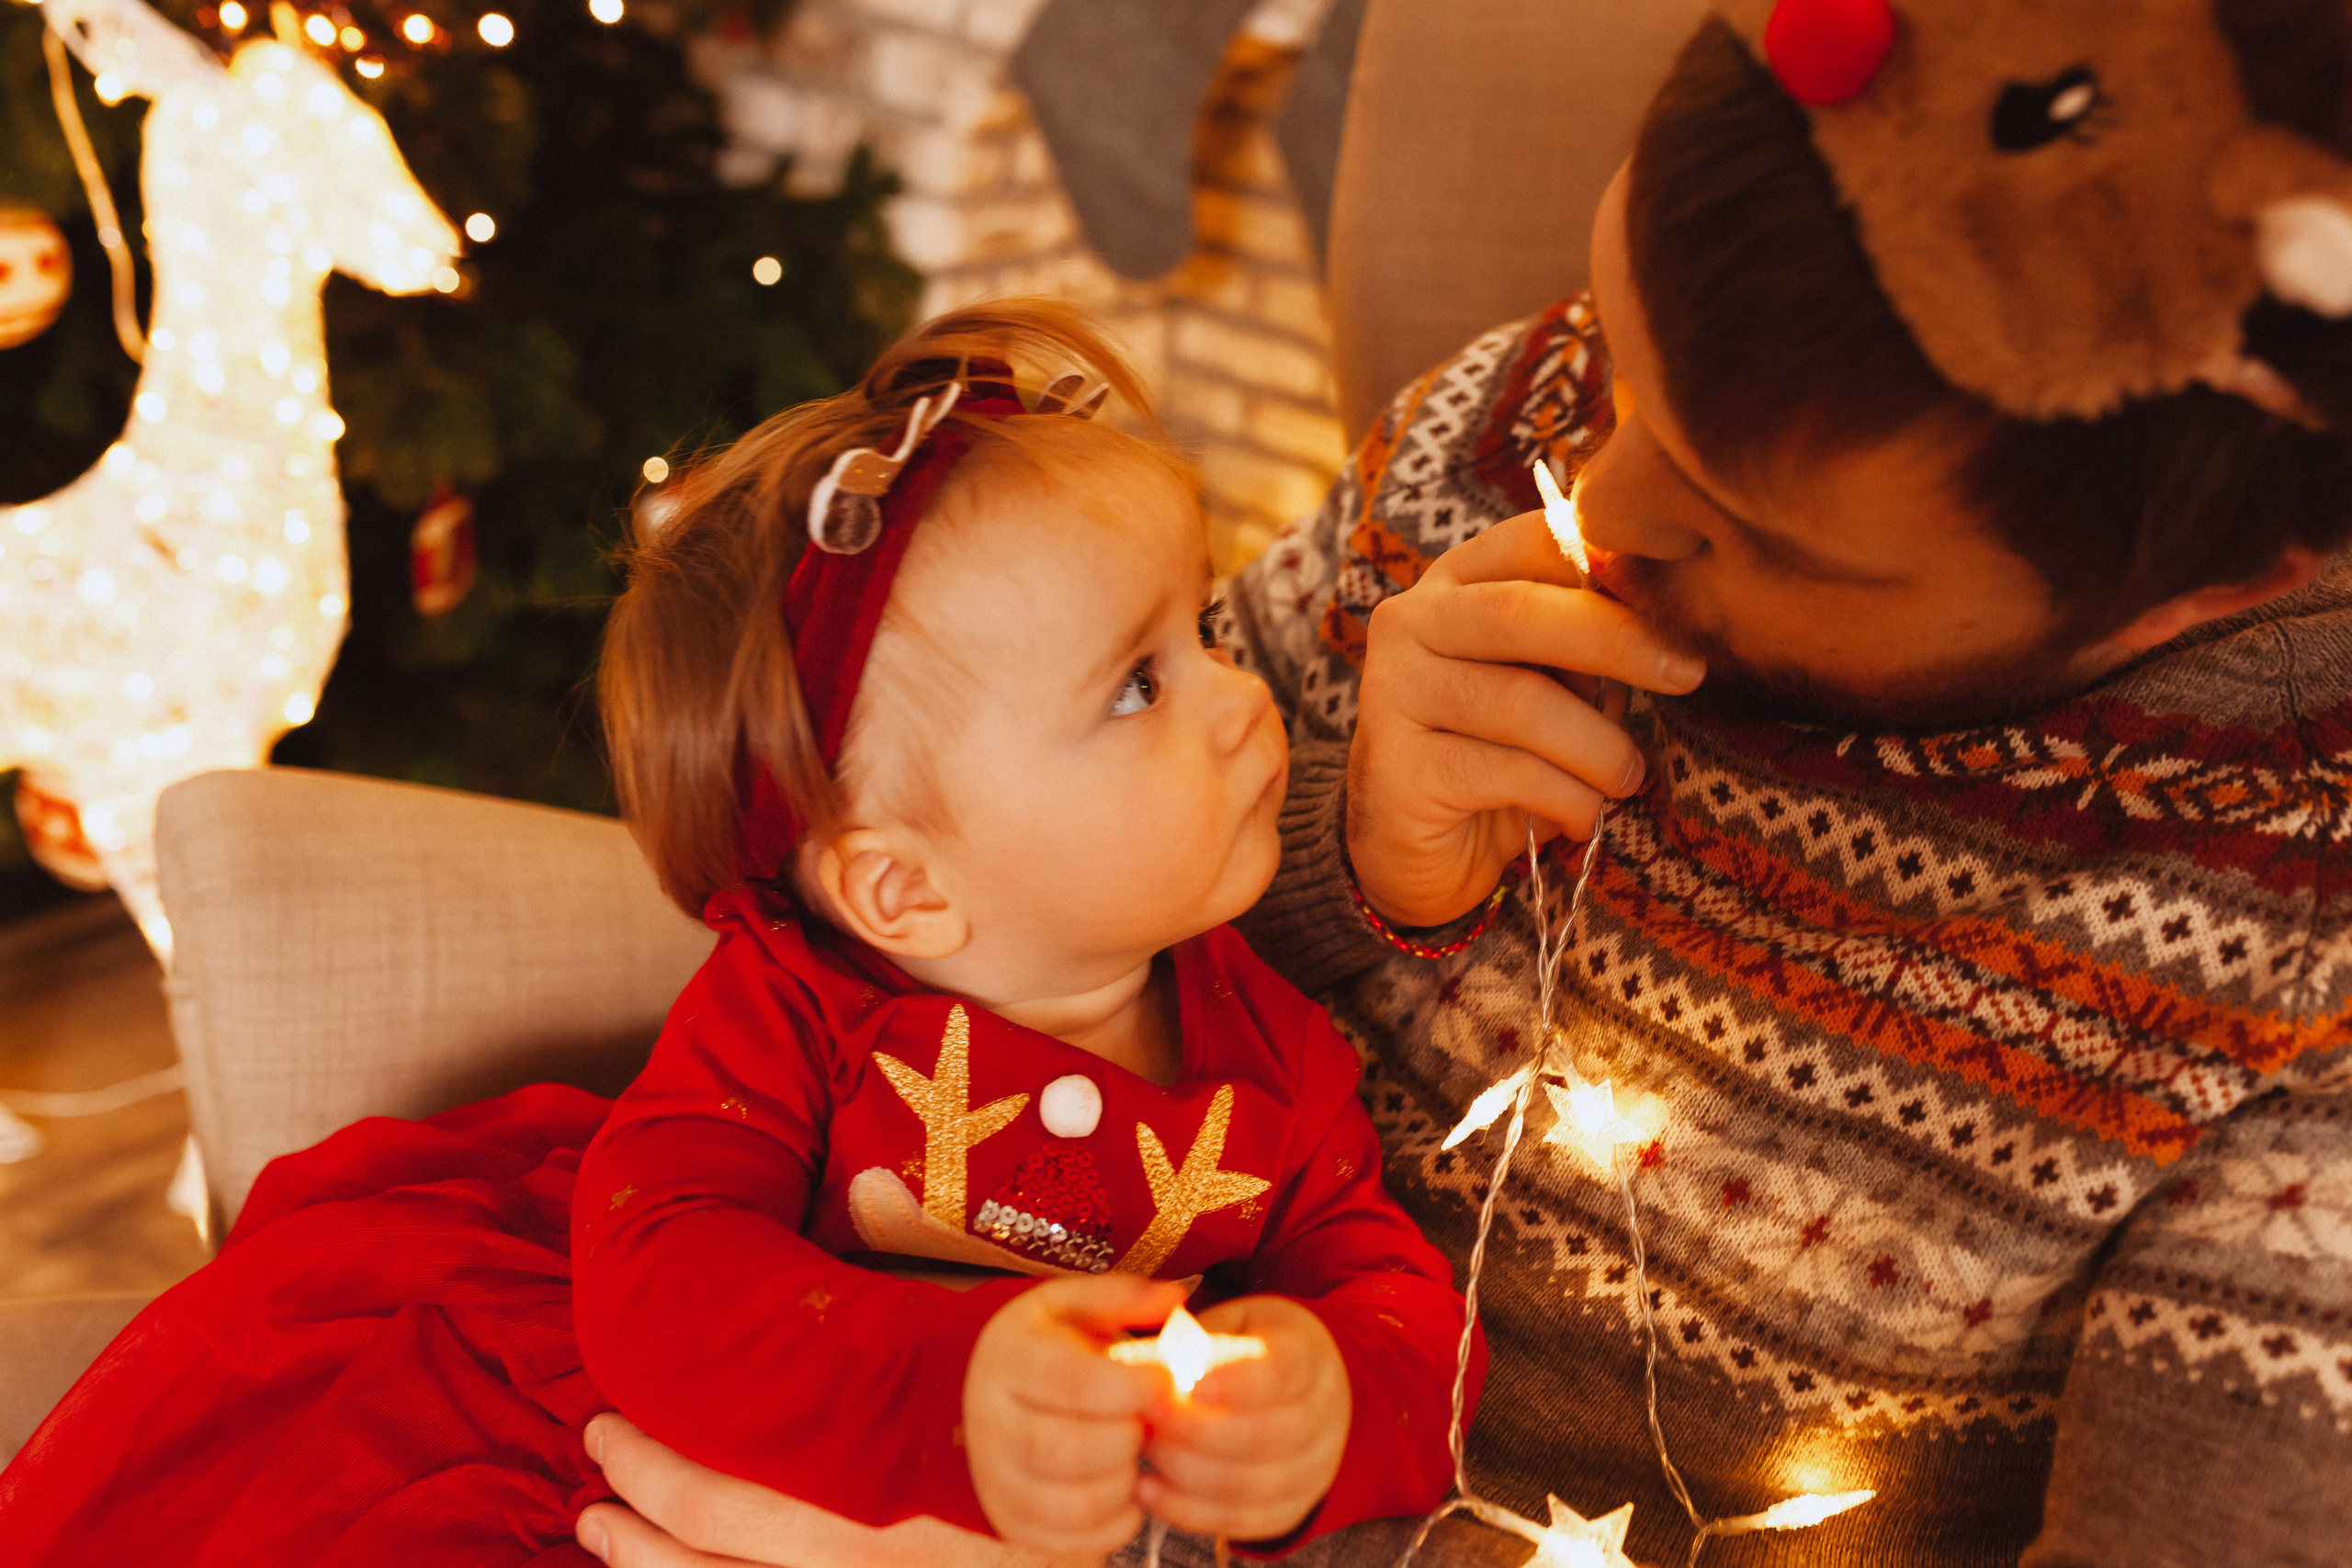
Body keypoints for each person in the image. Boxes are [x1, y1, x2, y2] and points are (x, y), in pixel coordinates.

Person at [570, 13, 2352, 1568]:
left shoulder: (2298, 964)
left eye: (1744, 524)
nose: (1596, 501)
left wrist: (1114, 1533)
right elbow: (1048, 893)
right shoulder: (1517, 419)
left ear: (2230, 574)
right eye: (1610, 342)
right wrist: (1347, 850)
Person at [0, 301, 1476, 1564]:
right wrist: (951, 1397)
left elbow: (1394, 1296)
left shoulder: (1270, 1061)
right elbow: (670, 1286)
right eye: (1139, 686)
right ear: (905, 892)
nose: (1244, 702)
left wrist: (1335, 1402)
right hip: (606, 1454)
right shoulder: (791, 1020)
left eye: (1205, 635)